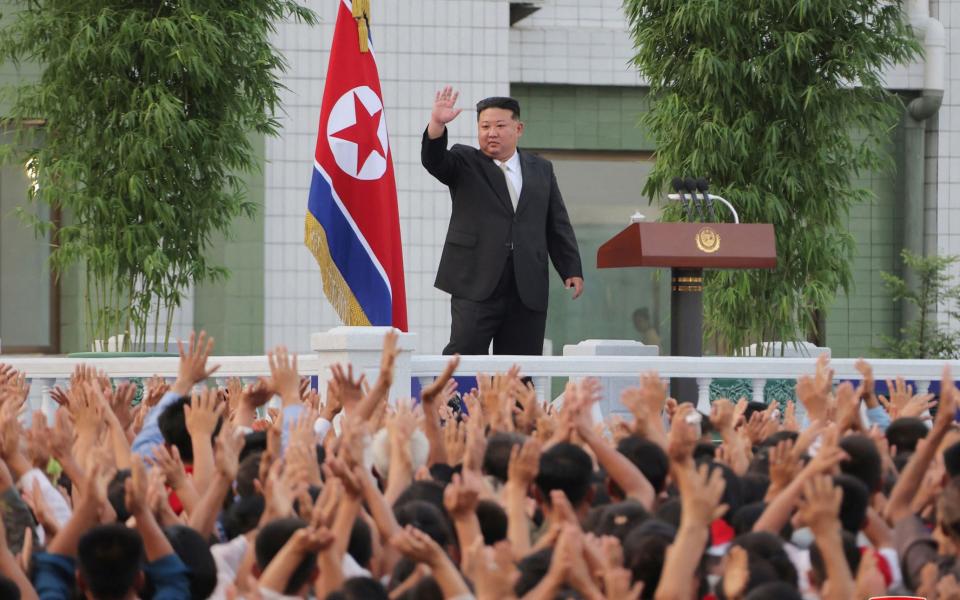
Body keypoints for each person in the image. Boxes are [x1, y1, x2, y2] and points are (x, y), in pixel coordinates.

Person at [421, 86, 584, 355]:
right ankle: (453, 400)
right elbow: (434, 160)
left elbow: (556, 223)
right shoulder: (465, 161)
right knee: (463, 355)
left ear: (518, 128)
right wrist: (437, 124)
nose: (491, 133)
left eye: (499, 125)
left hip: (526, 285)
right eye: (484, 126)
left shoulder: (541, 169)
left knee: (519, 369)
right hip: (476, 281)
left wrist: (571, 268)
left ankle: (514, 400)